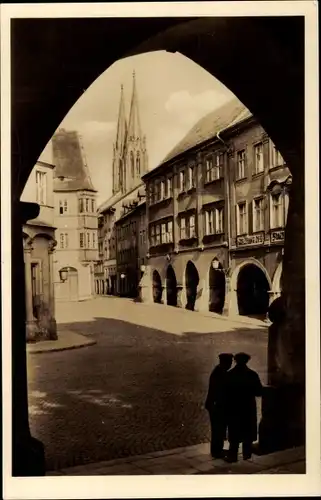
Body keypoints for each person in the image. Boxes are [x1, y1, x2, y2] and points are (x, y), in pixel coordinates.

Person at [225, 352, 263, 462]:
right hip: (248, 409)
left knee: (234, 437)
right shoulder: (252, 374)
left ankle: (232, 458)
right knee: (247, 438)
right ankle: (247, 459)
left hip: (234, 409)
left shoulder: (230, 374)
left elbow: (225, 394)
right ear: (247, 361)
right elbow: (259, 392)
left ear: (235, 361)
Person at [205, 353, 233, 458]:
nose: (230, 364)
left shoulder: (219, 371)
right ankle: (216, 452)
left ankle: (217, 450)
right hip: (216, 406)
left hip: (216, 405)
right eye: (229, 362)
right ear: (224, 362)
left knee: (218, 429)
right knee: (218, 429)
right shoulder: (219, 373)